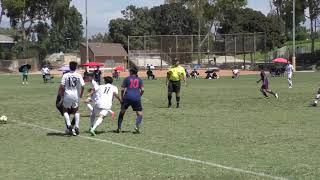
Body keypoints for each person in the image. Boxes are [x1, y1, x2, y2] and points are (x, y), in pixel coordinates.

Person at [57, 61, 85, 136]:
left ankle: (69, 125)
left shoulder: (65, 75)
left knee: (65, 110)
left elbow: (62, 86)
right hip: (75, 95)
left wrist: (61, 95)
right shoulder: (79, 75)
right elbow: (83, 86)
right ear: (76, 67)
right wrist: (81, 94)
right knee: (76, 111)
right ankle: (77, 126)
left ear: (69, 67)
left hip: (67, 94)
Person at [116, 67, 144, 134]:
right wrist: (139, 95)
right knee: (140, 113)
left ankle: (119, 128)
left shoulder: (127, 79)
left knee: (122, 112)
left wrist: (122, 97)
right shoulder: (139, 79)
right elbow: (142, 90)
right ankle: (137, 126)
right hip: (136, 98)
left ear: (131, 72)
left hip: (127, 97)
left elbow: (122, 89)